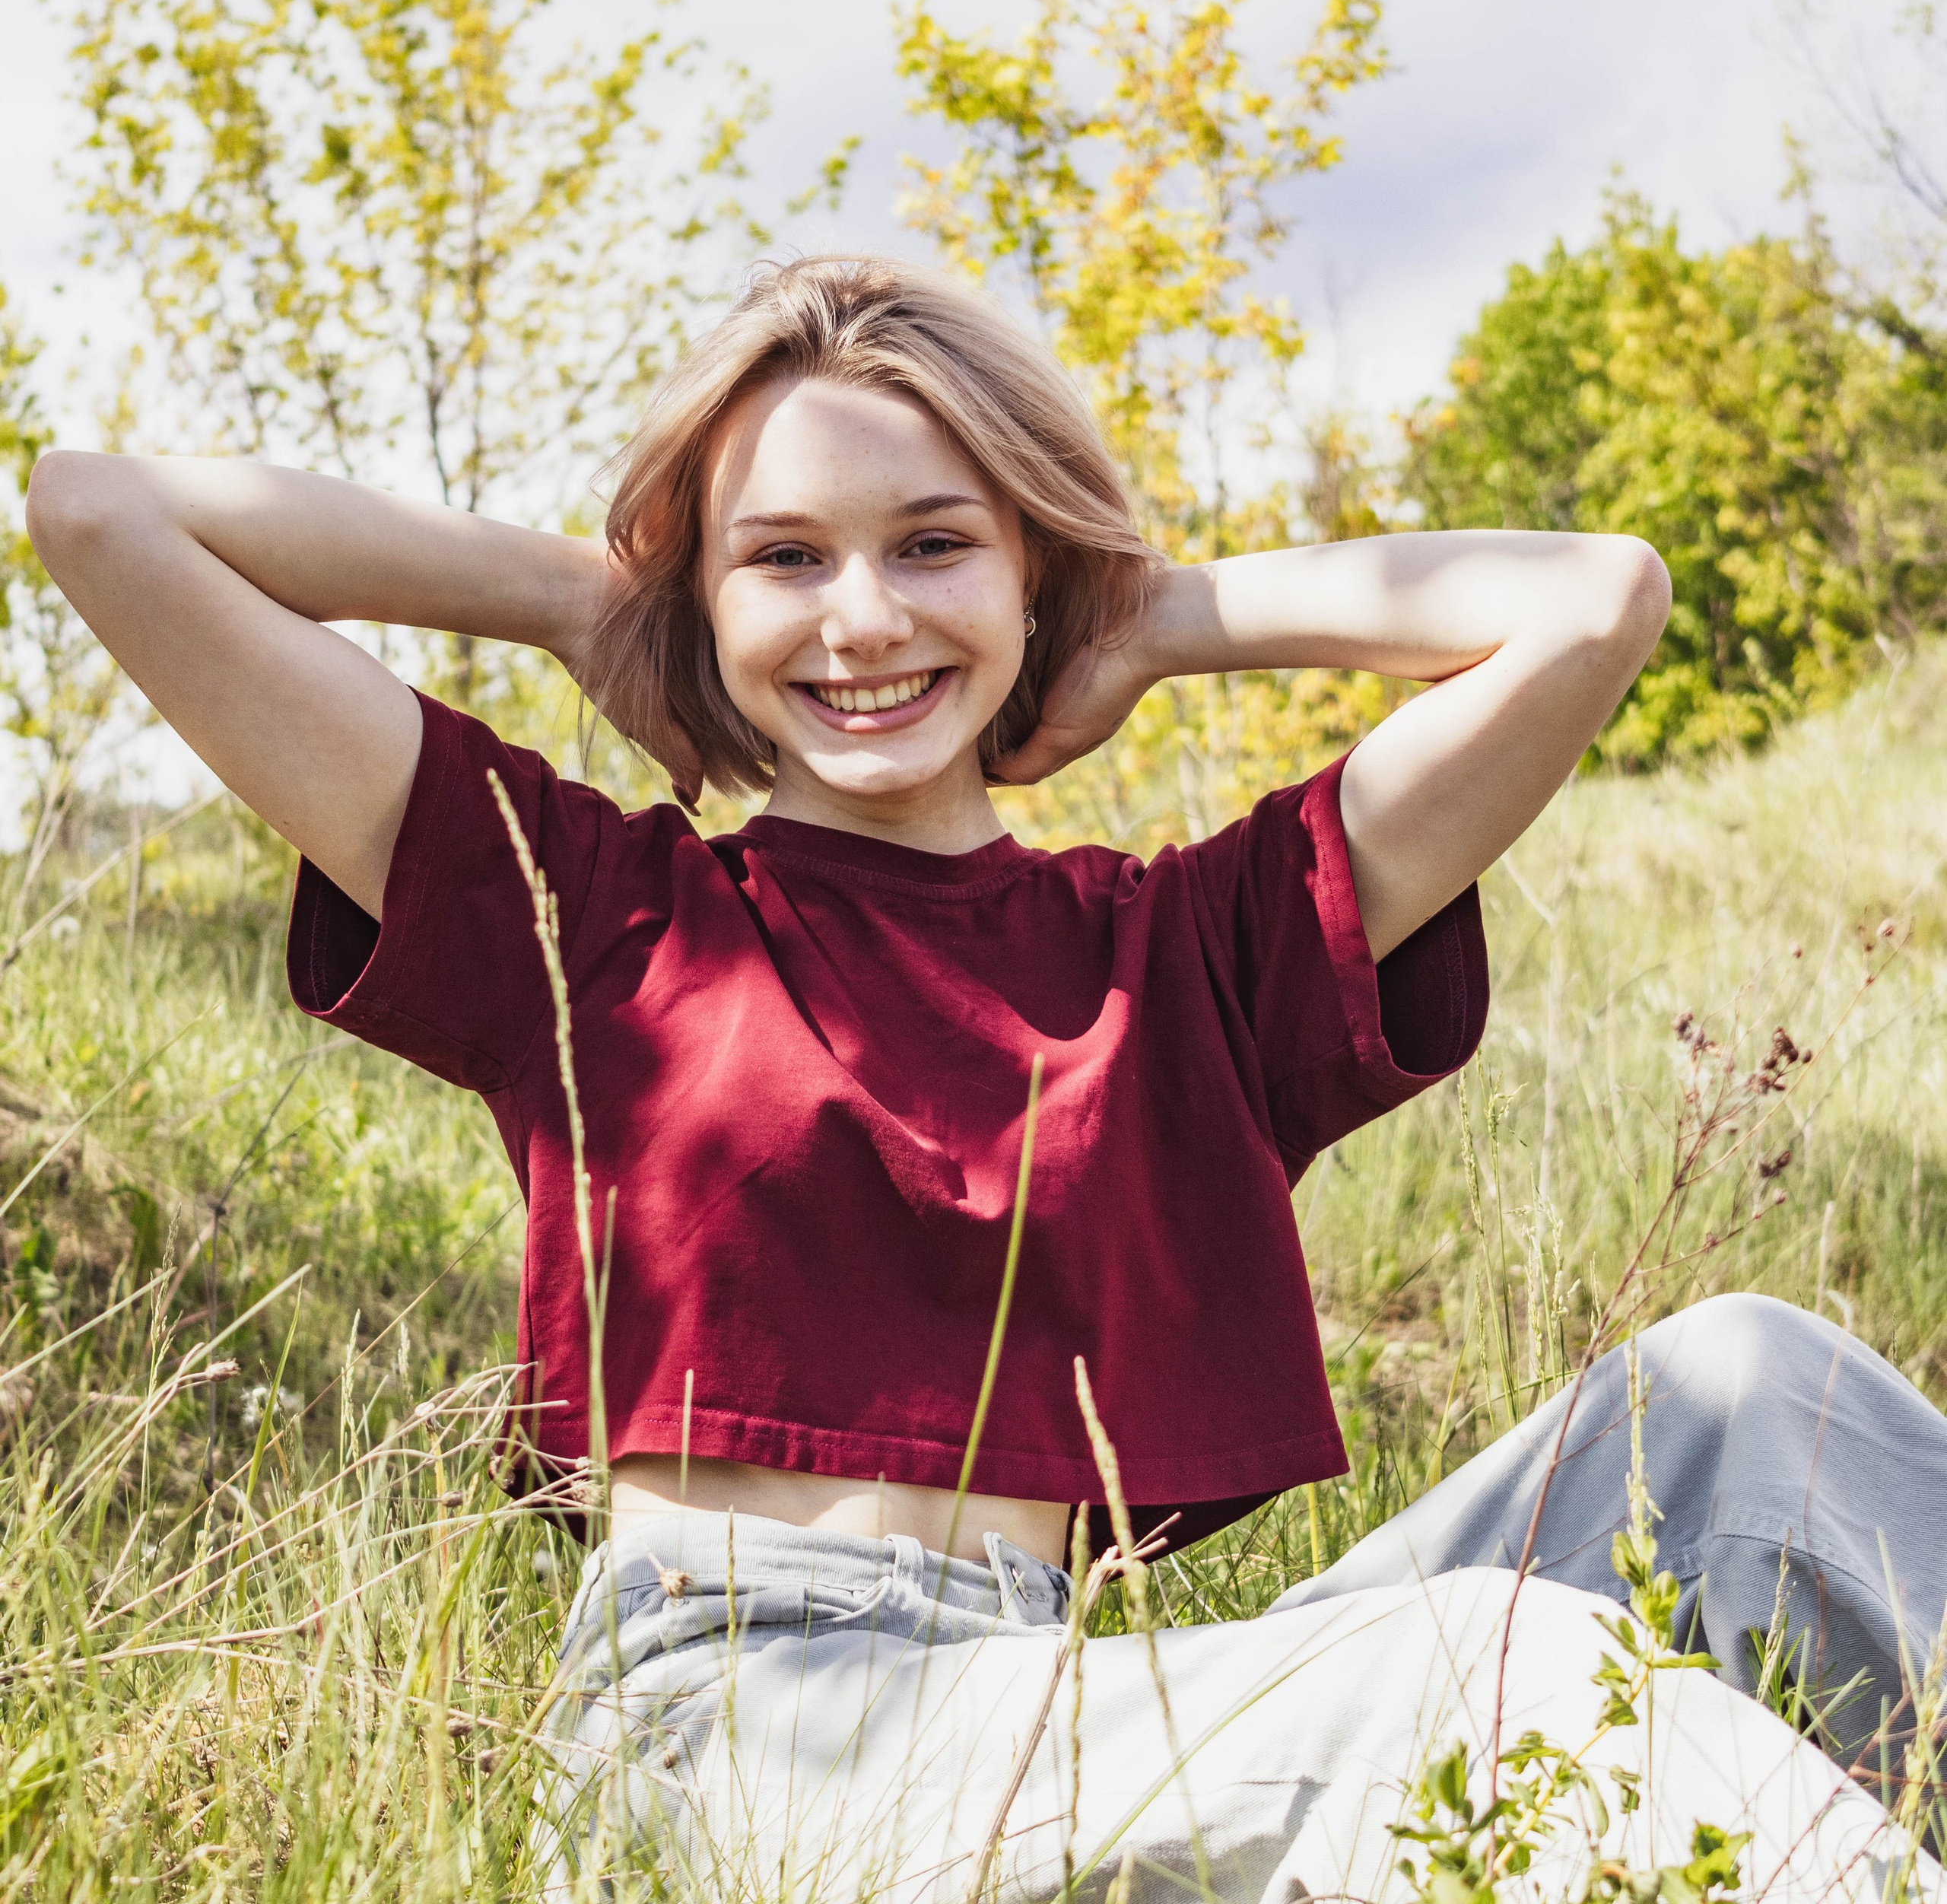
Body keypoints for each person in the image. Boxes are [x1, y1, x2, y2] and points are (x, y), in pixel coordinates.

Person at [27, 257, 1945, 1902]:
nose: (861, 619)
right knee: (1491, 1669)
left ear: (1032, 569)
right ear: (707, 603)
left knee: (1744, 1393)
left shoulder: (1184, 947)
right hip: (743, 1746)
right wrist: (580, 600)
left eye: (935, 543)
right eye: (782, 560)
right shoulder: (596, 914)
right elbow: (107, 511)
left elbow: (1593, 597)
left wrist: (1156, 618)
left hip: (1050, 1707)